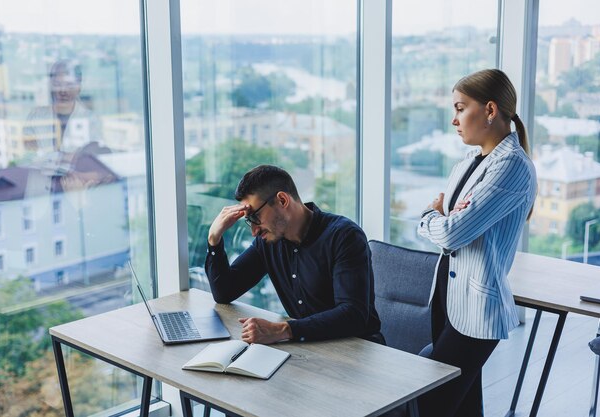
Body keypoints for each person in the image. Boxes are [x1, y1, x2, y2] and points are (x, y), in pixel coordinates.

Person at [416, 69, 537, 417]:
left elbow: (452, 232)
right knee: (463, 406)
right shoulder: (468, 162)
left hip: (476, 307)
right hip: (448, 297)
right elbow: (452, 227)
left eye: (459, 108)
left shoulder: (511, 165)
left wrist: (429, 215)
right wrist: (441, 220)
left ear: (489, 110)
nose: (454, 120)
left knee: (431, 405)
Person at [205, 165, 384, 345]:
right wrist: (214, 239)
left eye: (255, 217)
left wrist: (283, 330)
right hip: (307, 350)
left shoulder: (344, 236)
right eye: (248, 220)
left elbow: (353, 315)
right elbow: (224, 292)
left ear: (282, 200)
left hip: (359, 352)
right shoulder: (268, 242)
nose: (254, 230)